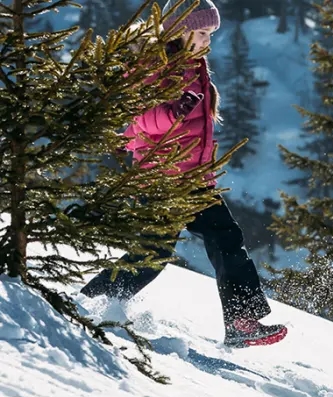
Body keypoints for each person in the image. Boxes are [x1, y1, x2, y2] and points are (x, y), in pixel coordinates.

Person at [80, 0, 286, 349]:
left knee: (226, 239)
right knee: (152, 254)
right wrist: (174, 111)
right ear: (180, 30)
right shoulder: (155, 64)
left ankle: (242, 320)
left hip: (192, 179)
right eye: (203, 32)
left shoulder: (194, 64)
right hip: (163, 179)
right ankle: (87, 303)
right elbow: (140, 120)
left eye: (210, 34)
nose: (208, 40)